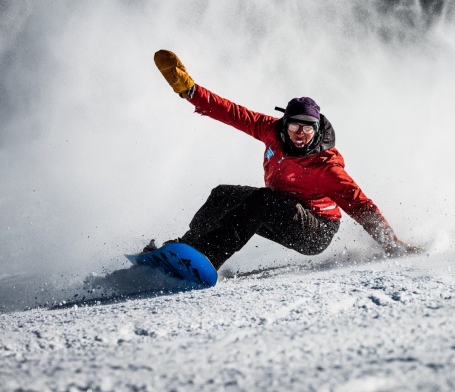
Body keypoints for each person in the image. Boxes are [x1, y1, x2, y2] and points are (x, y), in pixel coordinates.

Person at [145, 49, 420, 270]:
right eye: (295, 127)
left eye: (308, 128)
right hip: (281, 210)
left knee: (263, 200)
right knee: (222, 195)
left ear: (317, 129)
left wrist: (391, 243)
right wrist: (191, 91)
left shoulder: (325, 166)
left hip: (316, 230)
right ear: (284, 124)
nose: (301, 134)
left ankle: (207, 257)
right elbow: (232, 112)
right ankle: (184, 250)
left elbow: (361, 206)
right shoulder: (270, 130)